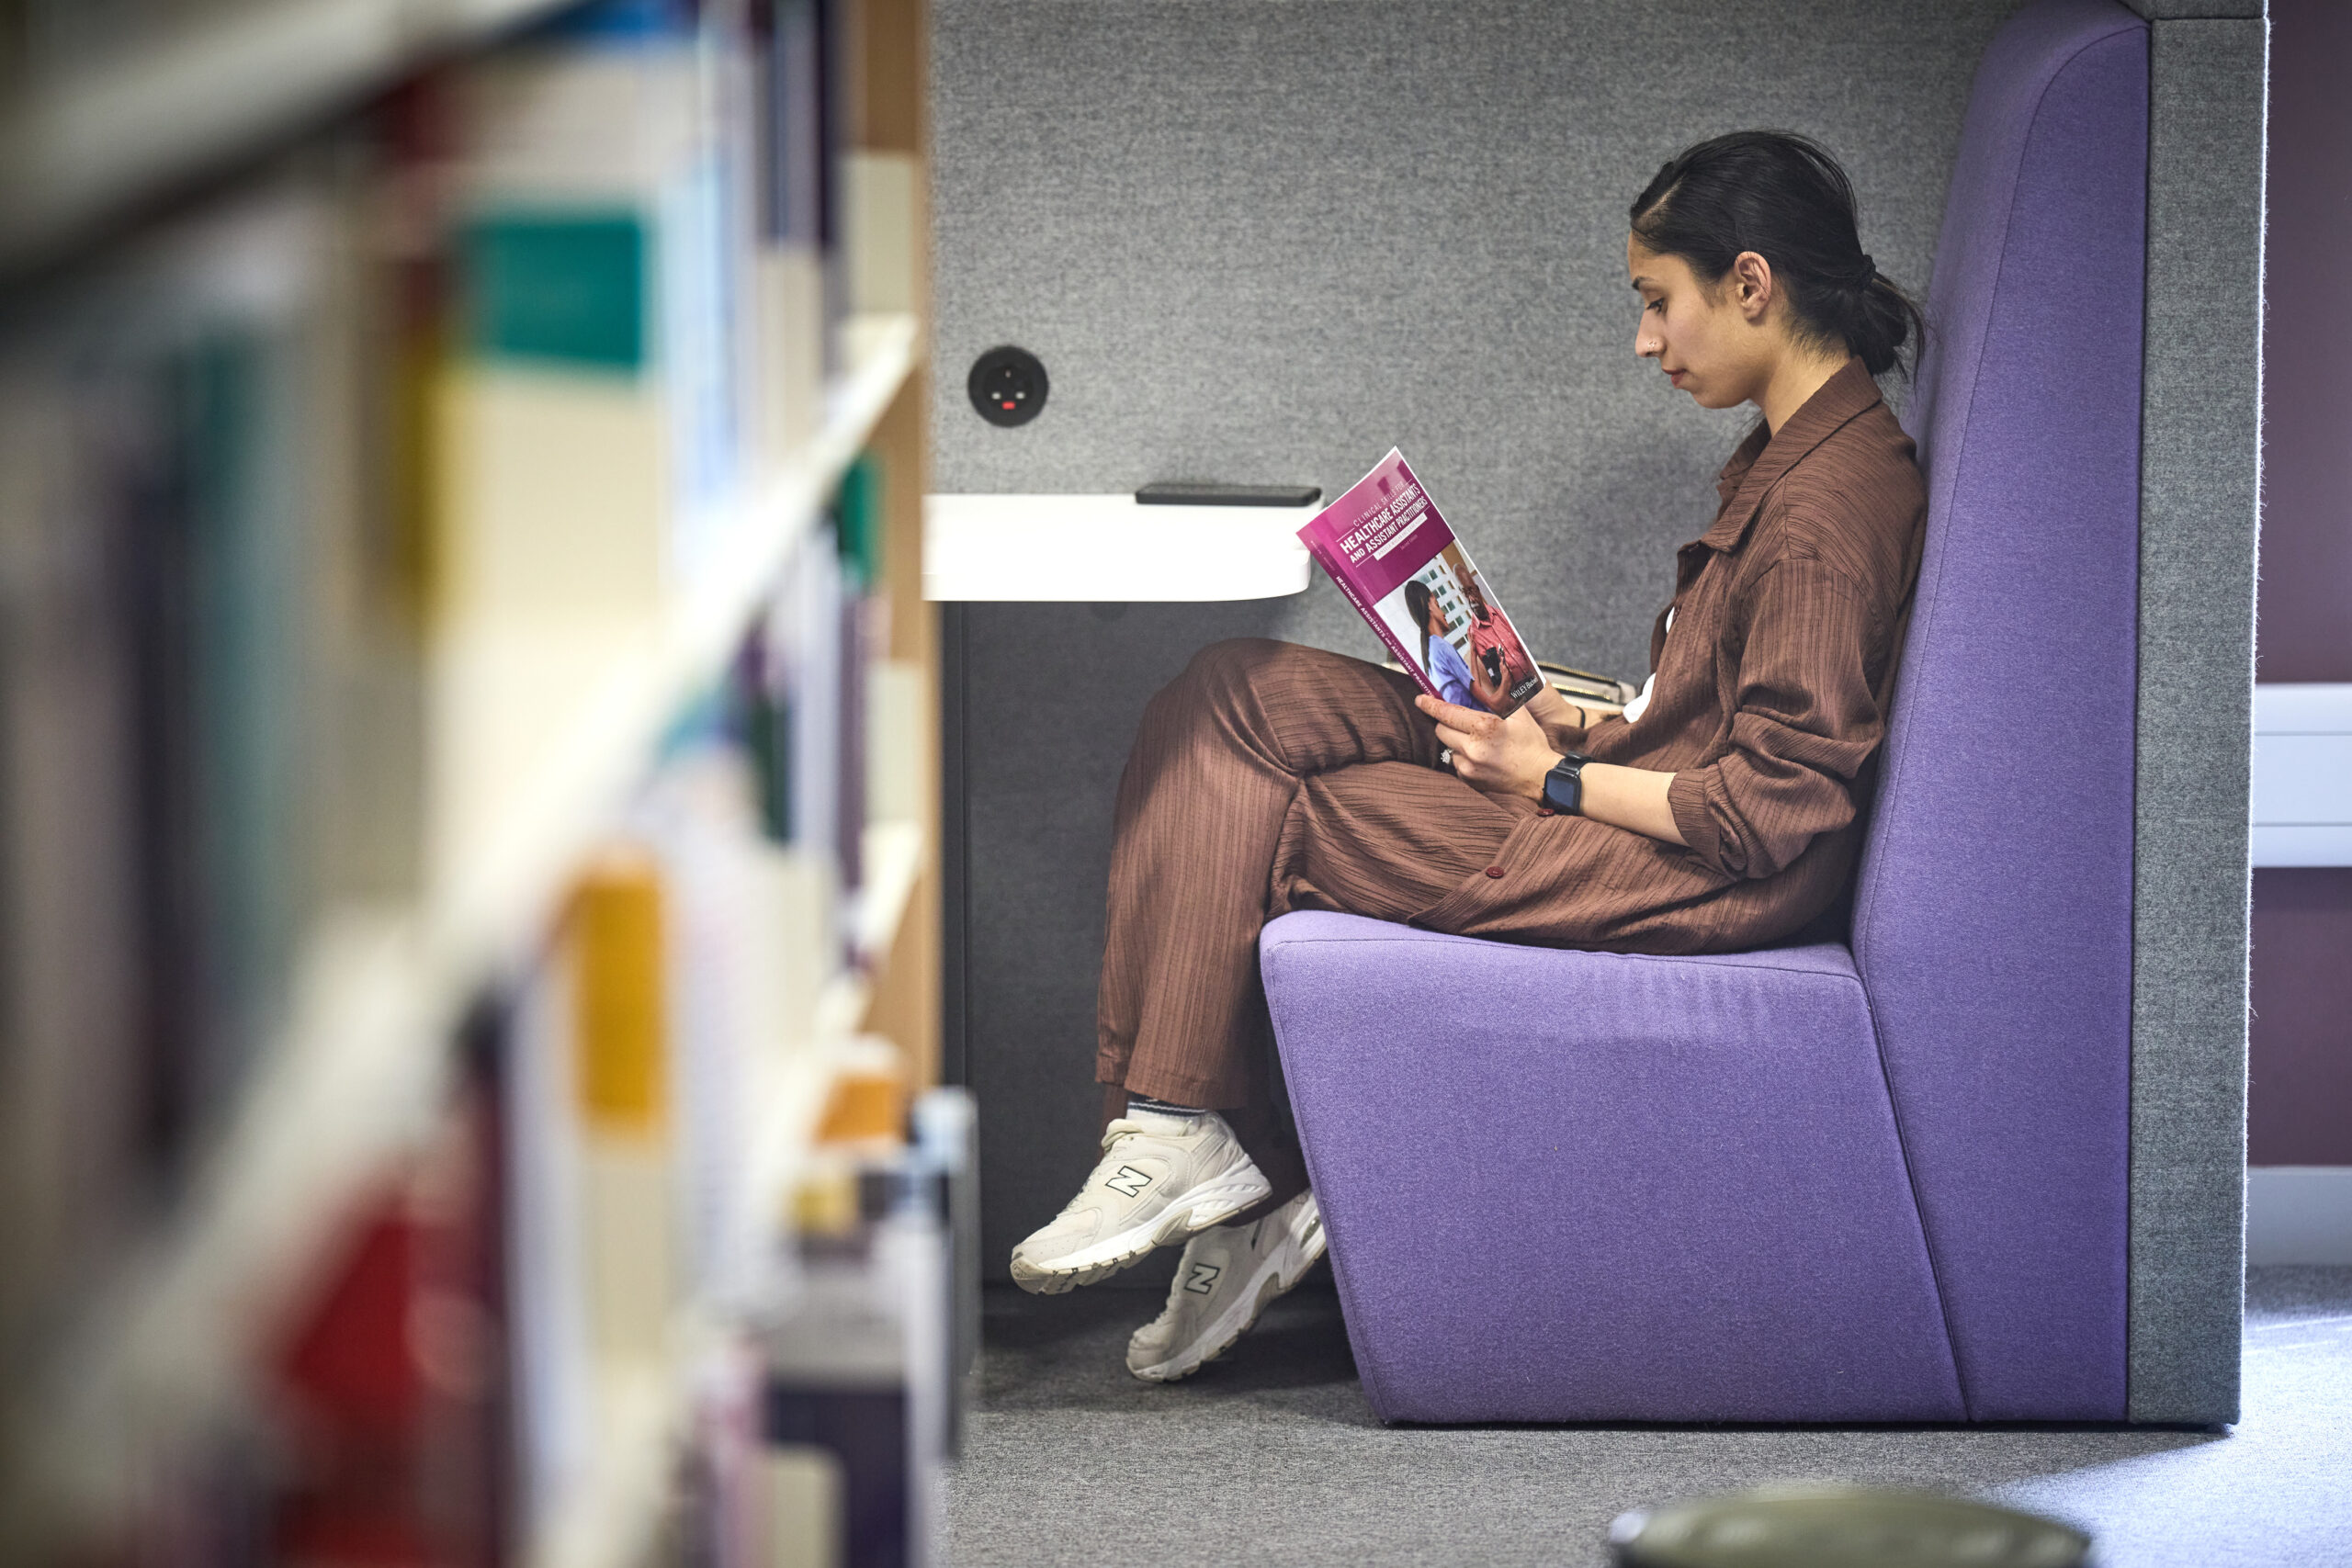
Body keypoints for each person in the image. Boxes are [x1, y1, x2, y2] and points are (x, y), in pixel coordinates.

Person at [1011, 130, 1931, 1384]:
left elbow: (1774, 805)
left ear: (1753, 284)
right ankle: (1196, 1143)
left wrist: (1547, 778)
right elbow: (1723, 714)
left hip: (1698, 873)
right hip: (1644, 791)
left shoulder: (1826, 509)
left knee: (1259, 813)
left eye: (1658, 301)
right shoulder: (1796, 451)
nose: (1647, 340)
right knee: (1232, 694)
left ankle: (1221, 1156)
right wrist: (1571, 719)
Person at [1405, 578, 1480, 708]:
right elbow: (1479, 696)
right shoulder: (1441, 647)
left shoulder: (1428, 655)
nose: (1444, 613)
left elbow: (1472, 689)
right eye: (1438, 605)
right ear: (1429, 606)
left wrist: (1473, 651)